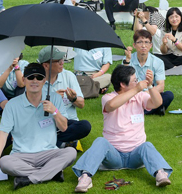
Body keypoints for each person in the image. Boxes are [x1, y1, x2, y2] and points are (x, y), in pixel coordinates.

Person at [72, 64, 171, 192]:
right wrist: (136, 90)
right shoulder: (108, 97)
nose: (137, 82)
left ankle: (160, 174)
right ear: (123, 84)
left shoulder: (140, 96)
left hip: (136, 155)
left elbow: (158, 103)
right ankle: (85, 176)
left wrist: (151, 86)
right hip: (114, 156)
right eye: (134, 80)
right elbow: (112, 105)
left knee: (147, 146)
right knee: (100, 142)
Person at [0, 64, 77, 189]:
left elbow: (64, 128)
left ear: (44, 81)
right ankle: (51, 173)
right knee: (4, 162)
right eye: (31, 77)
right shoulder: (12, 105)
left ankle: (29, 178)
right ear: (24, 80)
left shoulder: (56, 99)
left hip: (49, 152)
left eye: (39, 77)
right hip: (21, 155)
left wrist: (54, 111)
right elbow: (3, 133)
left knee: (71, 152)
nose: (35, 80)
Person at [38, 47, 92, 148]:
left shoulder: (68, 76)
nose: (62, 62)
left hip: (68, 123)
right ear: (45, 65)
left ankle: (54, 142)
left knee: (85, 126)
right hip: (46, 123)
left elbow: (81, 104)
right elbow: (32, 111)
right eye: (58, 61)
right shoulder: (36, 81)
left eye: (62, 59)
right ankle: (62, 143)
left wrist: (73, 99)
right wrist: (53, 99)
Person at [124, 29, 173, 115]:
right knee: (122, 97)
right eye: (140, 42)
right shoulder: (127, 60)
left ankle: (141, 110)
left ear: (151, 45)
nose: (143, 45)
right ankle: (157, 108)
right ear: (134, 45)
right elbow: (124, 83)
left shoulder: (158, 62)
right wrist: (127, 61)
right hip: (133, 94)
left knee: (169, 95)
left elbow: (161, 86)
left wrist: (146, 93)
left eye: (146, 42)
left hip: (150, 93)